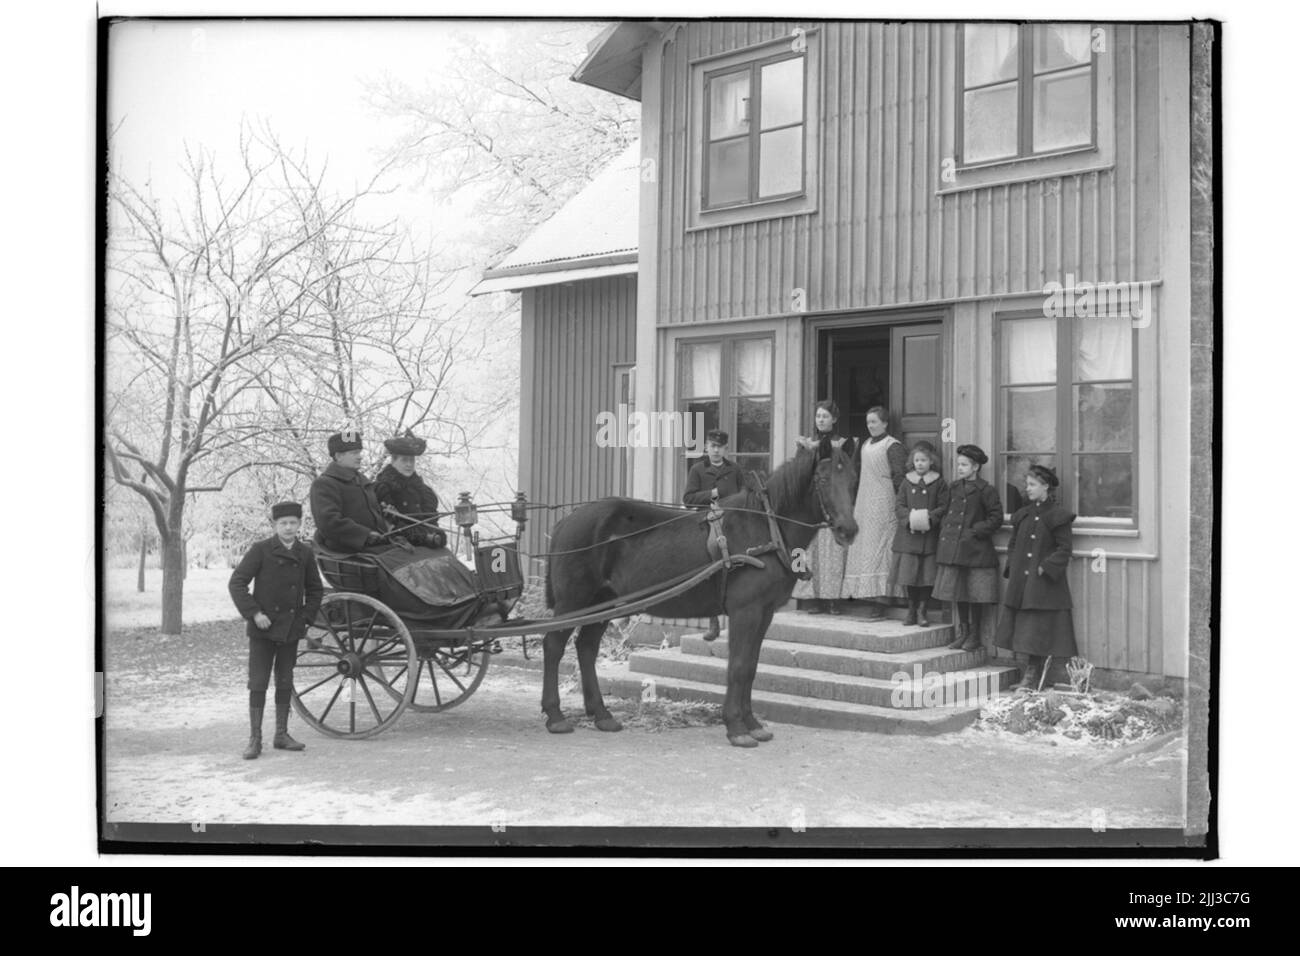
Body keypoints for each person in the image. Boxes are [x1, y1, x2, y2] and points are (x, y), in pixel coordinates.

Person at [310, 431, 479, 613]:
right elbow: (329, 522)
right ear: (338, 456)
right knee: (404, 564)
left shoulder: (361, 482)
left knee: (418, 555)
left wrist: (390, 528)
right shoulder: (325, 484)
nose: (360, 456)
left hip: (375, 545)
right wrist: (366, 535)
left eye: (359, 451)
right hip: (349, 550)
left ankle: (454, 599)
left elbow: (376, 517)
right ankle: (424, 607)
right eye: (354, 453)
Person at [228, 501, 324, 760]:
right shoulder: (261, 550)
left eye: (293, 523)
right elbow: (237, 583)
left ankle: (281, 734)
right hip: (263, 629)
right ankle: (255, 739)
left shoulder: (305, 553)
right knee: (258, 682)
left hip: (291, 629)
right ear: (274, 525)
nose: (289, 528)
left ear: (299, 524)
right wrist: (255, 613)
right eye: (283, 523)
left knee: (285, 681)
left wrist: (305, 619)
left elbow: (315, 590)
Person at [995, 465, 1078, 691]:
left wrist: (1045, 568)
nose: (1027, 489)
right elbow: (1013, 544)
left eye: (1032, 485)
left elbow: (1064, 548)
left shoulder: (1058, 516)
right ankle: (1031, 675)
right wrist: (1012, 565)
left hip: (1043, 583)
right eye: (1027, 484)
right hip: (1022, 582)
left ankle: (1033, 677)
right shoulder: (1023, 514)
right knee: (1024, 629)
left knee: (1038, 629)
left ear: (1046, 486)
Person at [934, 444, 1003, 652]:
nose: (960, 468)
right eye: (959, 464)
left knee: (975, 595)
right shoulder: (954, 487)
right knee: (959, 593)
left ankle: (974, 636)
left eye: (964, 465)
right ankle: (962, 633)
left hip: (975, 551)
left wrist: (975, 531)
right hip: (954, 549)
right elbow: (946, 511)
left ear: (975, 467)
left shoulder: (986, 490)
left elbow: (996, 518)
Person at [842, 406, 907, 617]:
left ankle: (882, 598)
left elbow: (899, 476)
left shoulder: (893, 446)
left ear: (885, 423)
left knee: (881, 547)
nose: (870, 426)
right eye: (868, 422)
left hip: (884, 500)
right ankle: (864, 594)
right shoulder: (866, 444)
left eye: (874, 422)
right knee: (865, 547)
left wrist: (901, 504)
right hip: (865, 498)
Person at [792, 400, 856, 614]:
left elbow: (847, 474)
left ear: (834, 420)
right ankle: (808, 596)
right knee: (805, 550)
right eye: (818, 416)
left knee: (831, 552)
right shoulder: (806, 443)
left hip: (831, 502)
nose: (821, 420)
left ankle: (832, 598)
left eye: (825, 416)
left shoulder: (843, 444)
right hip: (809, 503)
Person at [683, 429, 743, 641]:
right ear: (707, 447)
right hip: (705, 522)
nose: (716, 450)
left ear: (726, 449)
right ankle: (713, 619)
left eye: (720, 447)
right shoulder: (698, 470)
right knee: (713, 553)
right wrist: (712, 494)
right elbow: (688, 499)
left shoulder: (735, 470)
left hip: (732, 521)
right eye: (712, 446)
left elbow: (744, 496)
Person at [887, 441, 949, 627]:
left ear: (931, 462)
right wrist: (910, 519)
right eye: (917, 460)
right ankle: (911, 610)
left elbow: (943, 506)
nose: (920, 464)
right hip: (908, 537)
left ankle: (923, 610)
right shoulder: (907, 482)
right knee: (909, 575)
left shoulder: (938, 483)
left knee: (926, 577)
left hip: (929, 538)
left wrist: (928, 518)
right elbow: (899, 506)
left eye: (923, 460)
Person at [374, 431, 448, 550]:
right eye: (404, 460)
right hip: (400, 546)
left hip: (429, 542)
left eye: (411, 460)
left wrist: (436, 535)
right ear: (393, 461)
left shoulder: (424, 490)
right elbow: (391, 524)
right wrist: (424, 537)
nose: (409, 465)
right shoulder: (383, 488)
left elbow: (432, 520)